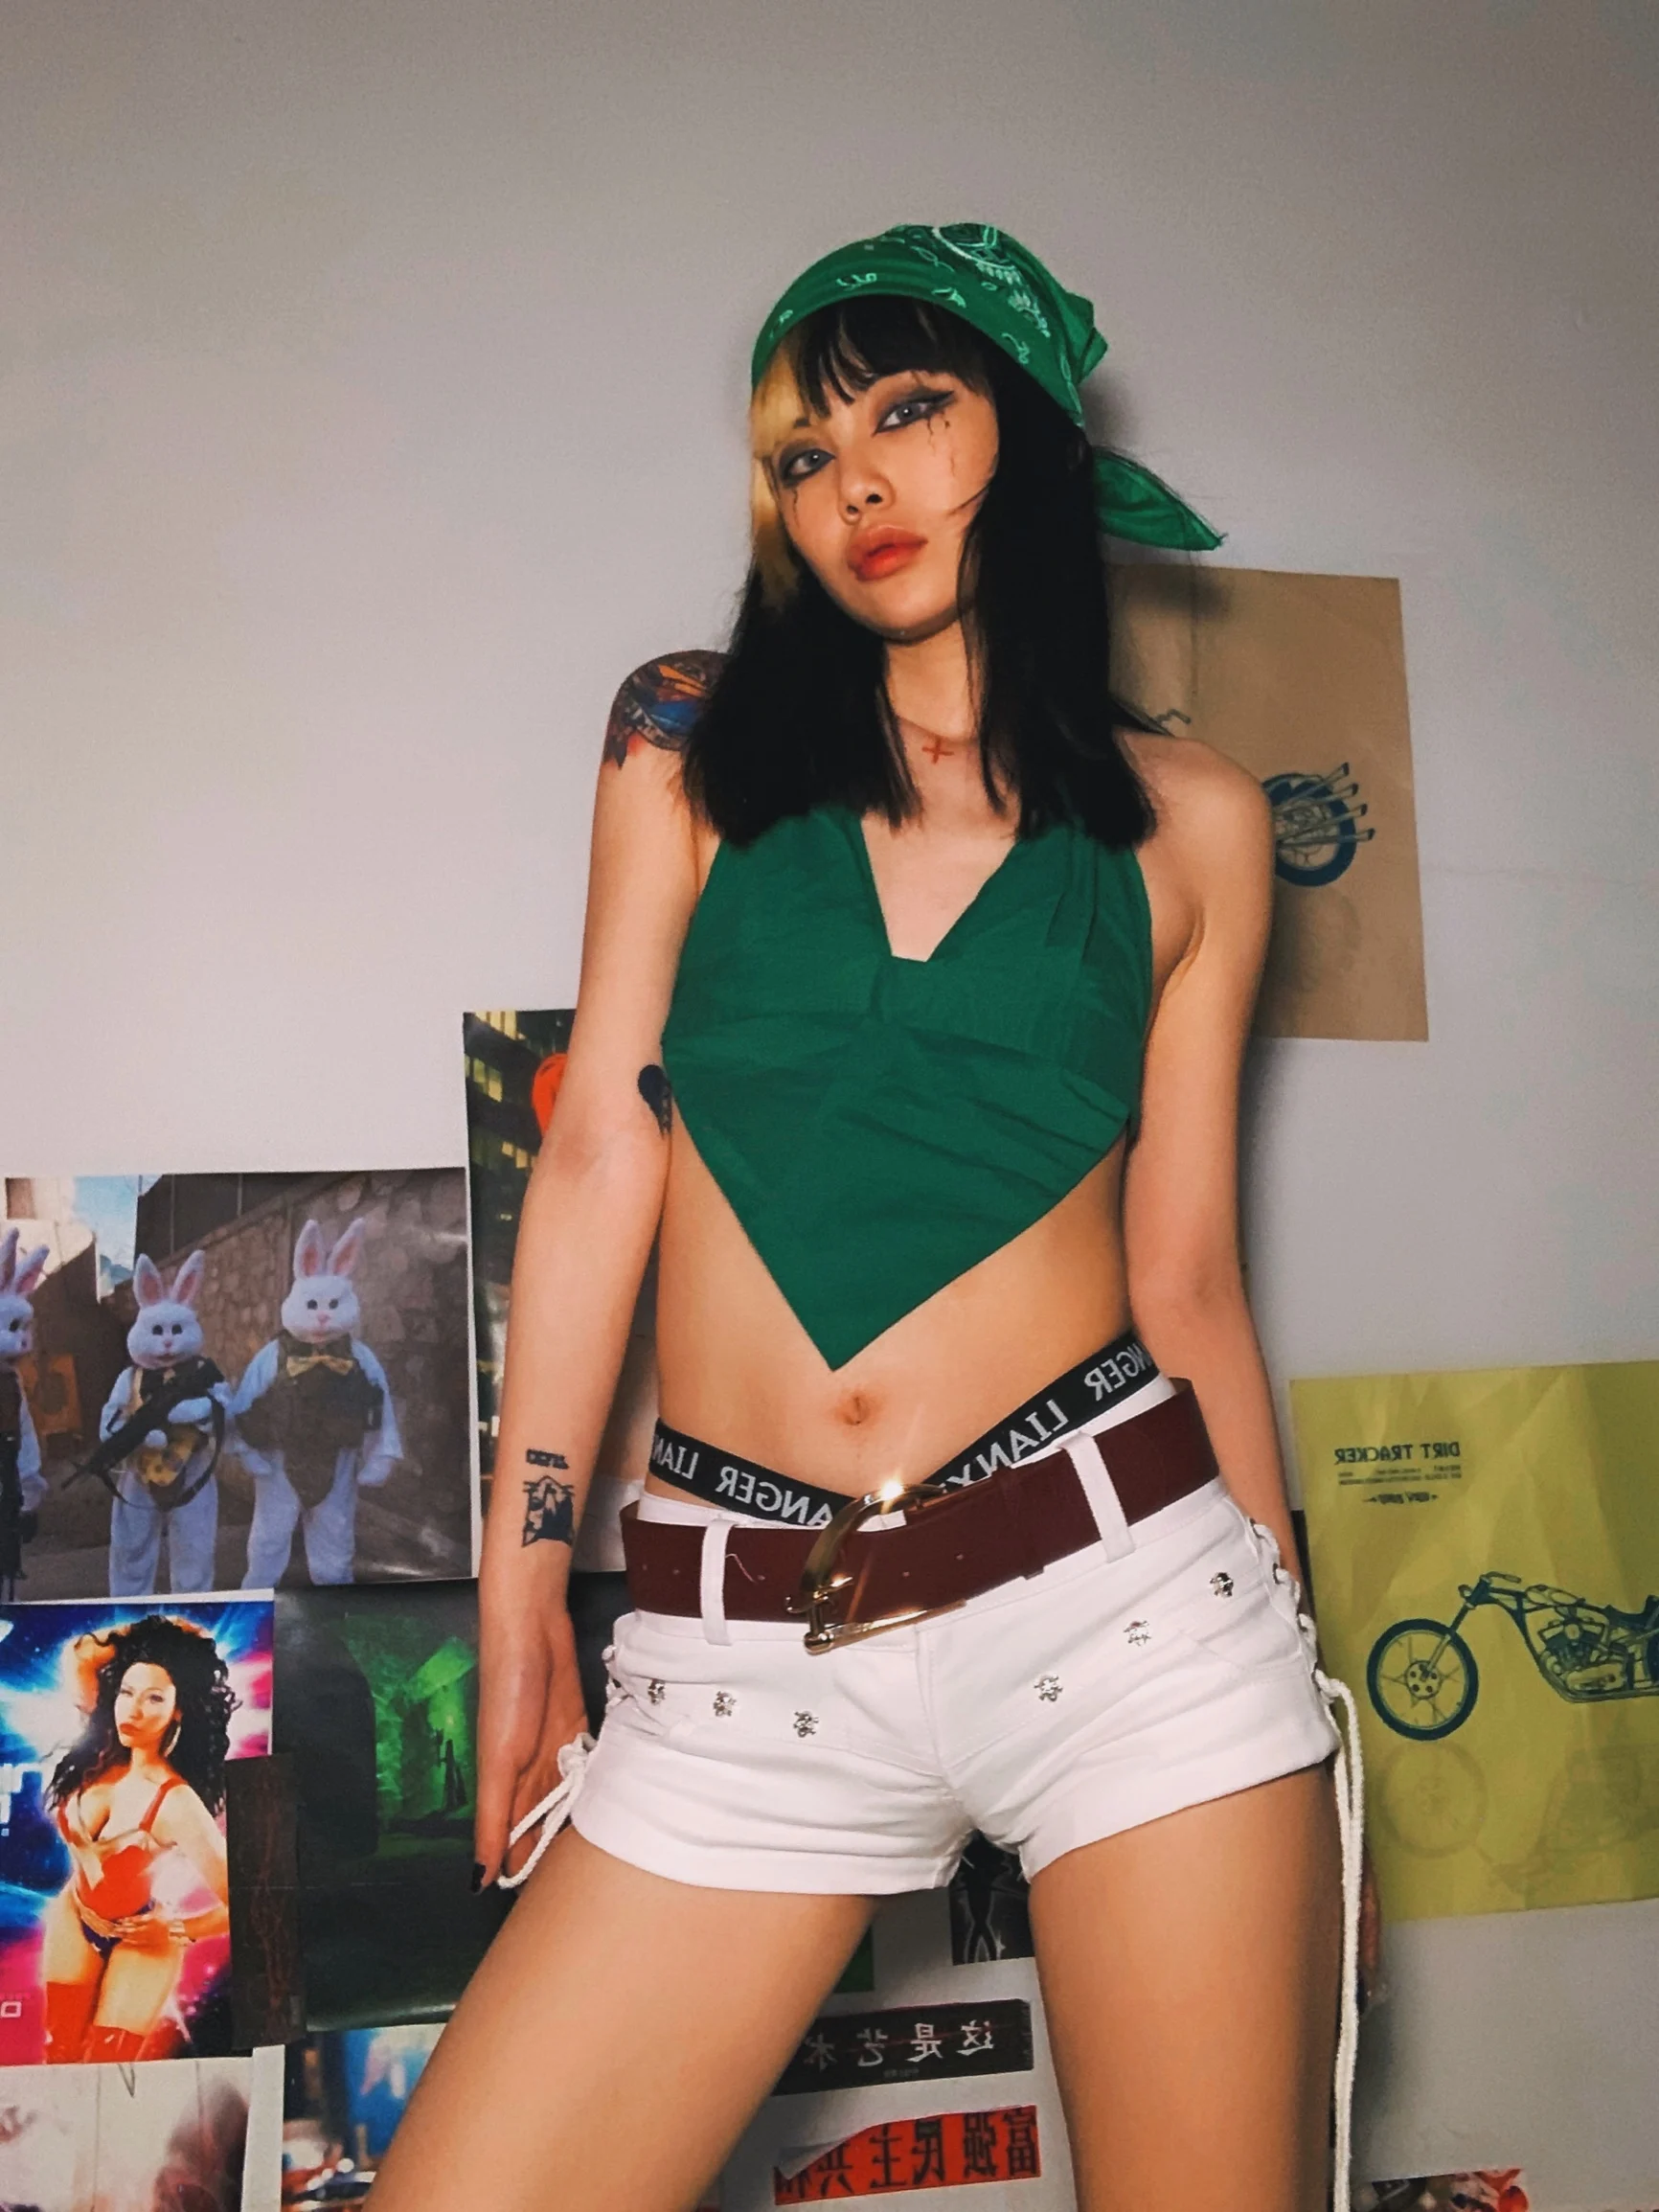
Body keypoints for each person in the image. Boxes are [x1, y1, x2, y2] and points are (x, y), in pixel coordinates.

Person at [371, 223, 1366, 2212]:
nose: (855, 485)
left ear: (1031, 433)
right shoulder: (686, 738)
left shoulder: (1195, 819)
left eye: (909, 410)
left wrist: (1292, 1656)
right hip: (743, 1654)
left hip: (1126, 1609)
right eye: (804, 454)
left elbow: (1182, 1273)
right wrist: (521, 1579)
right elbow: (601, 1151)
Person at [42, 1614, 236, 2063]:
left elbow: (249, 1899)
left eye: (155, 1698)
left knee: (106, 2067)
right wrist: (155, 1637)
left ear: (178, 1710)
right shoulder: (100, 1744)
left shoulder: (175, 1801)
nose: (134, 1710)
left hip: (141, 1940)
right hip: (74, 1915)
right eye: (127, 1693)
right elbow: (82, 1654)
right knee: (58, 2056)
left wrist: (178, 1929)